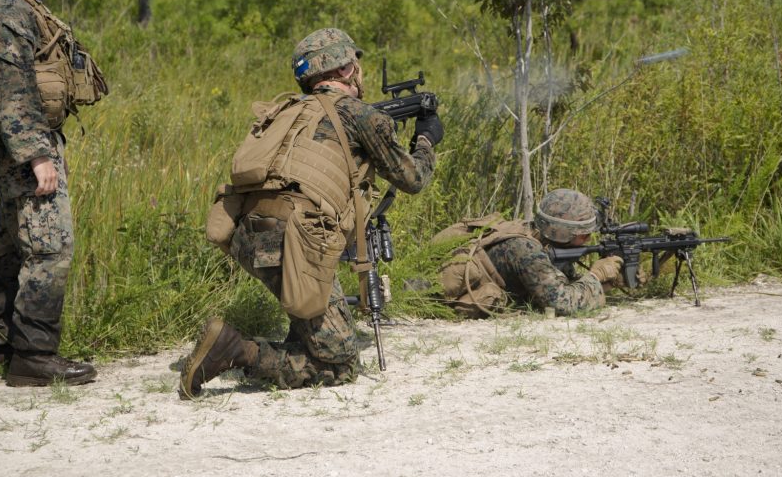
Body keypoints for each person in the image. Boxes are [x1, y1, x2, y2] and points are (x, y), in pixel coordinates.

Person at [180, 28, 440, 397]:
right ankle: (234, 350)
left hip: (247, 236)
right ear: (348, 70)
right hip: (298, 241)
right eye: (355, 64)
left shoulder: (286, 111)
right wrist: (427, 140)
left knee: (312, 317)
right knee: (339, 365)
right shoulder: (359, 115)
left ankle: (298, 335)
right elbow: (412, 179)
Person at [0, 0, 102, 386]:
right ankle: (34, 357)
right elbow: (11, 86)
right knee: (51, 247)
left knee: (11, 244)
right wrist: (38, 154)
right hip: (22, 148)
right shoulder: (6, 9)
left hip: (13, 145)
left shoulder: (14, 3)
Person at [439, 189, 623, 317]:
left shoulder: (537, 234)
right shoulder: (527, 251)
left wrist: (609, 281)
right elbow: (562, 304)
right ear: (563, 234)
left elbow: (563, 283)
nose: (588, 239)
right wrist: (596, 276)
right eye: (584, 235)